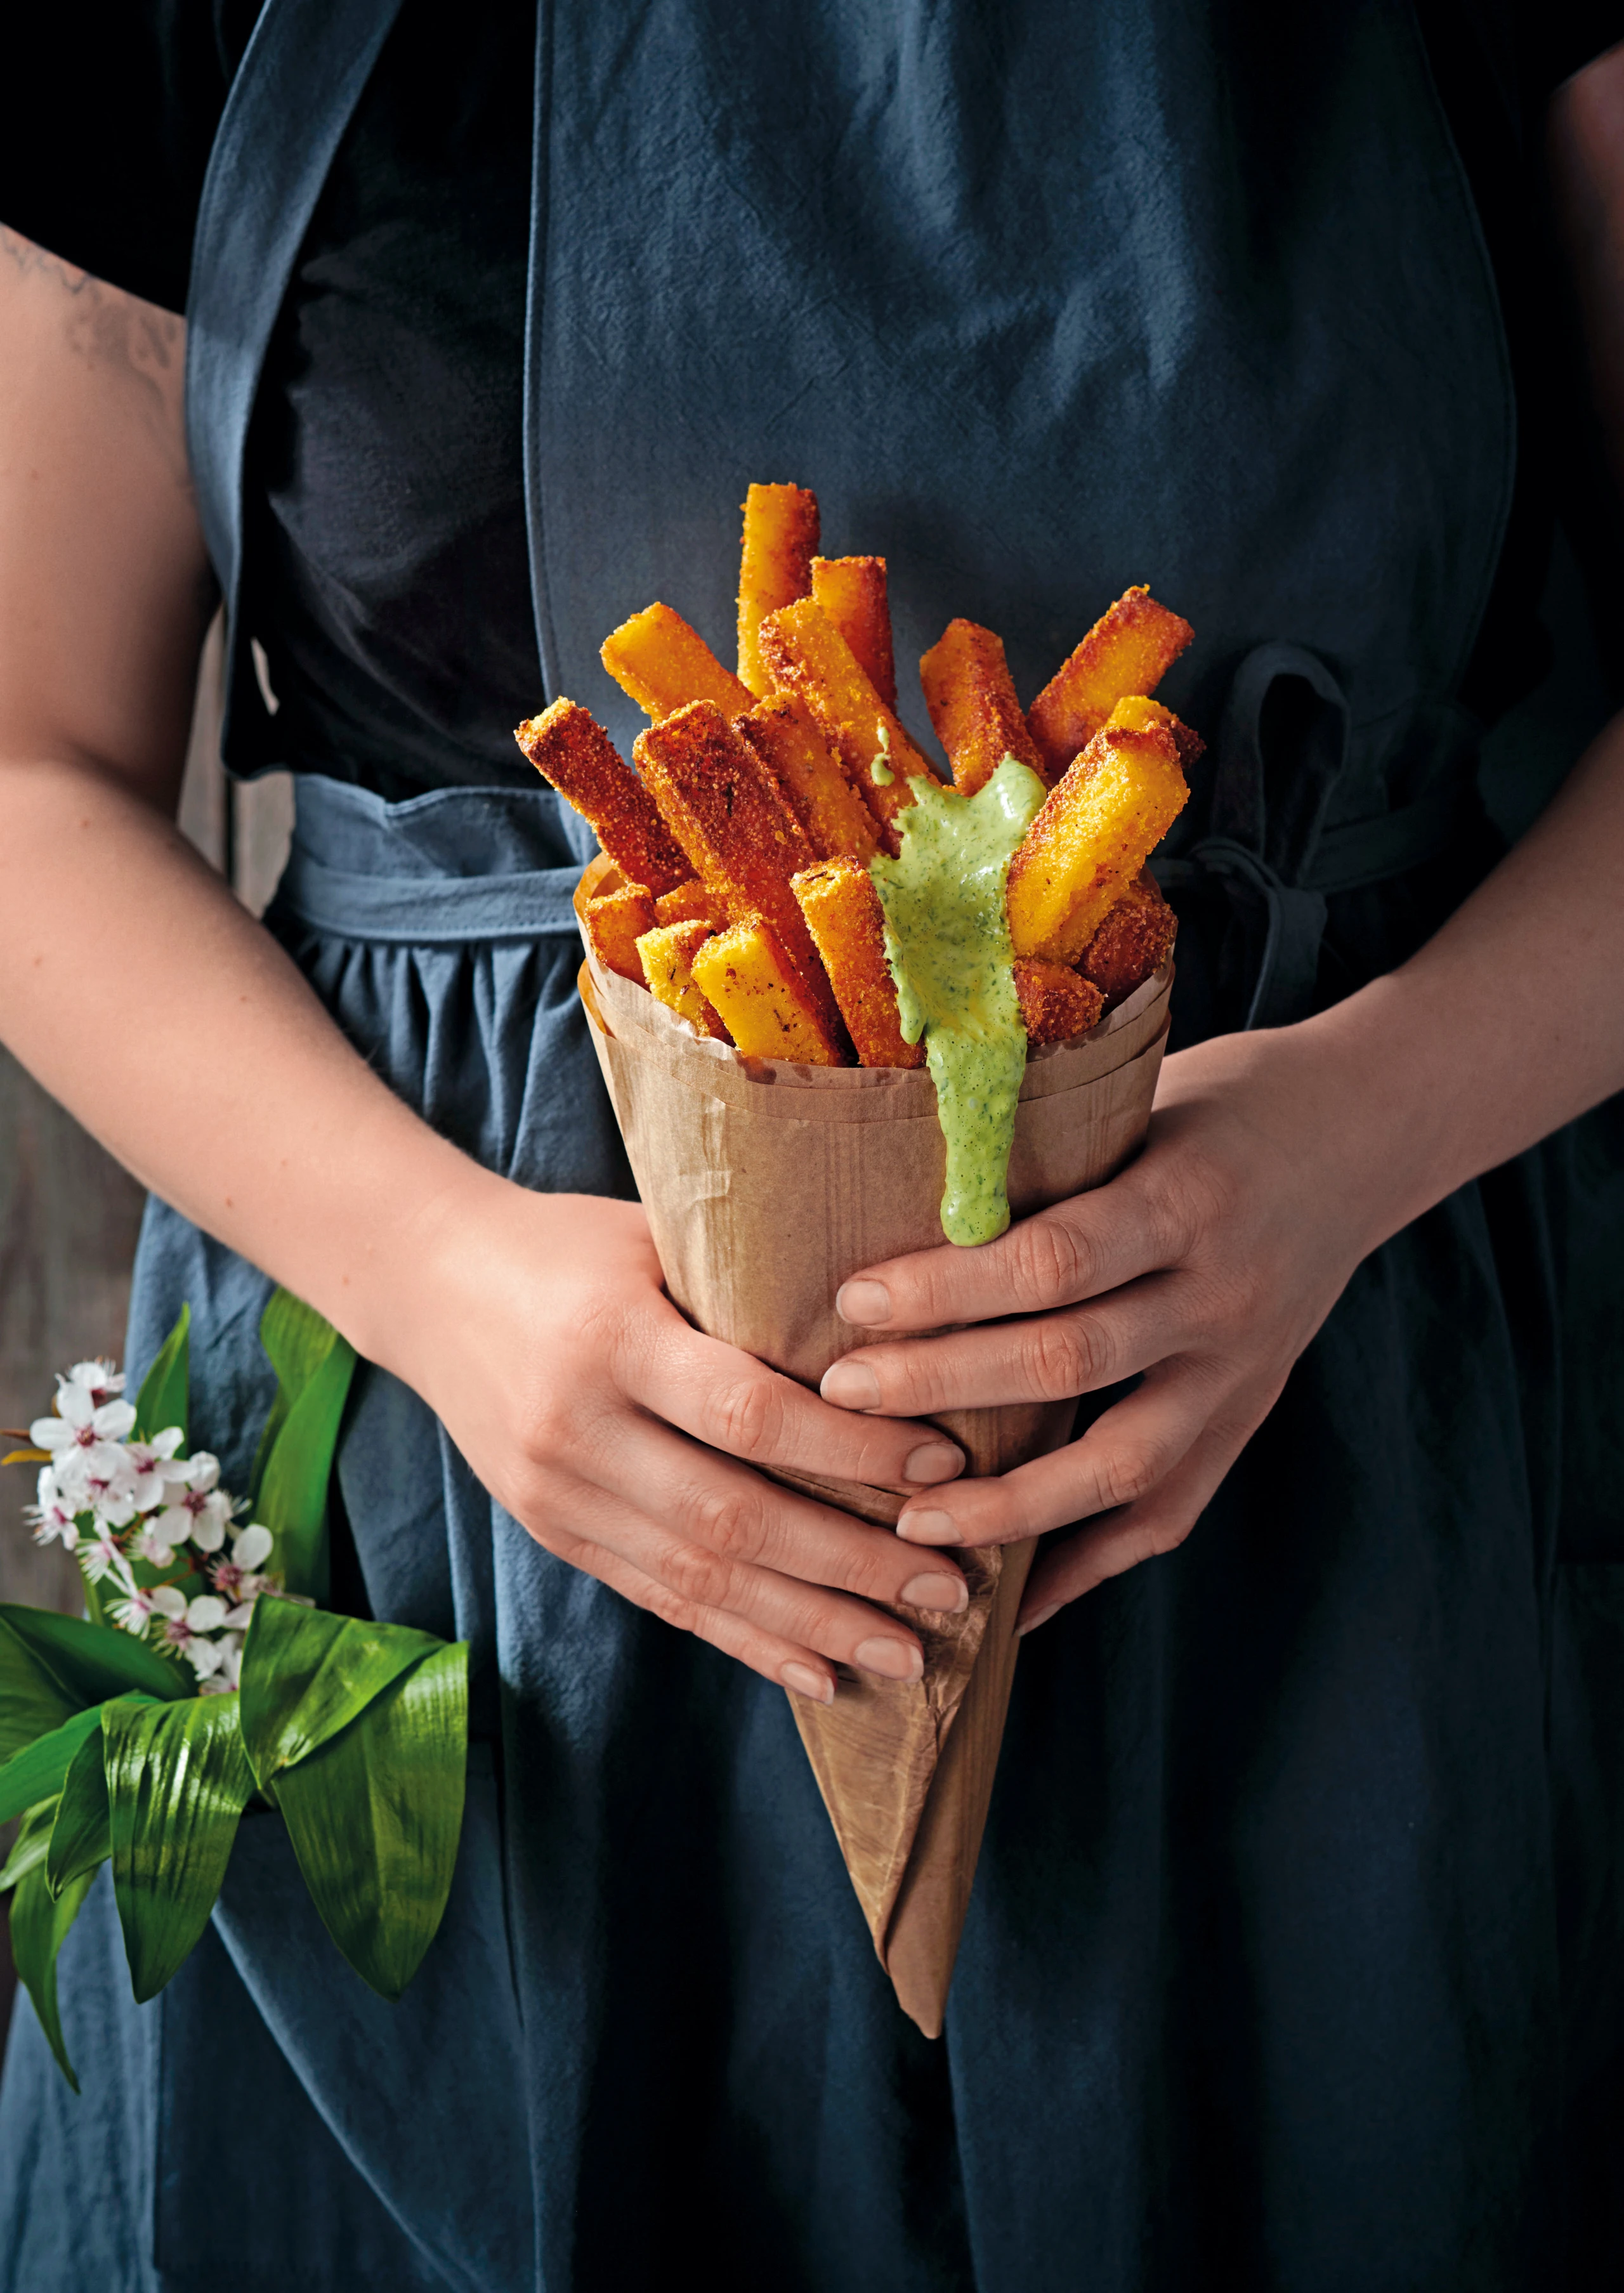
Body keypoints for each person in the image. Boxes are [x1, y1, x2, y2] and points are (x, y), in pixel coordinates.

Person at [1, 2, 1621, 2286]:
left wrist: (1362, 1127)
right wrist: (446, 1281)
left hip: (1334, 1490)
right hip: (450, 1535)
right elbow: (29, 766)